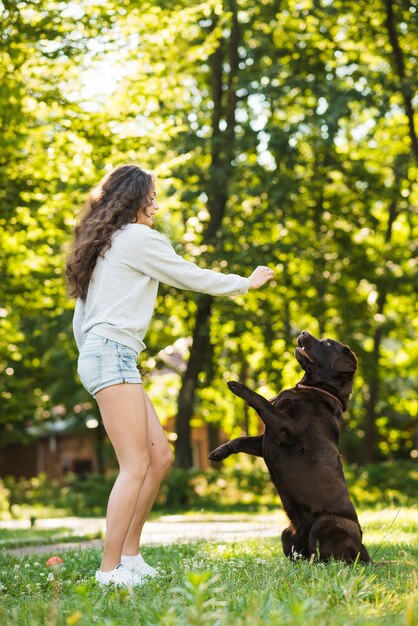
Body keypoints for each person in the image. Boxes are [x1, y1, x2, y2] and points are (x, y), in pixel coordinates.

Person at [66, 164, 274, 587]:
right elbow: (189, 275)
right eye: (151, 198)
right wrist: (244, 283)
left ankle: (130, 556)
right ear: (135, 200)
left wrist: (92, 355)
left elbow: (80, 318)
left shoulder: (104, 245)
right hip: (111, 355)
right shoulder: (137, 239)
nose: (156, 206)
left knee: (159, 457)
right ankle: (109, 571)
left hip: (108, 354)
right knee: (135, 464)